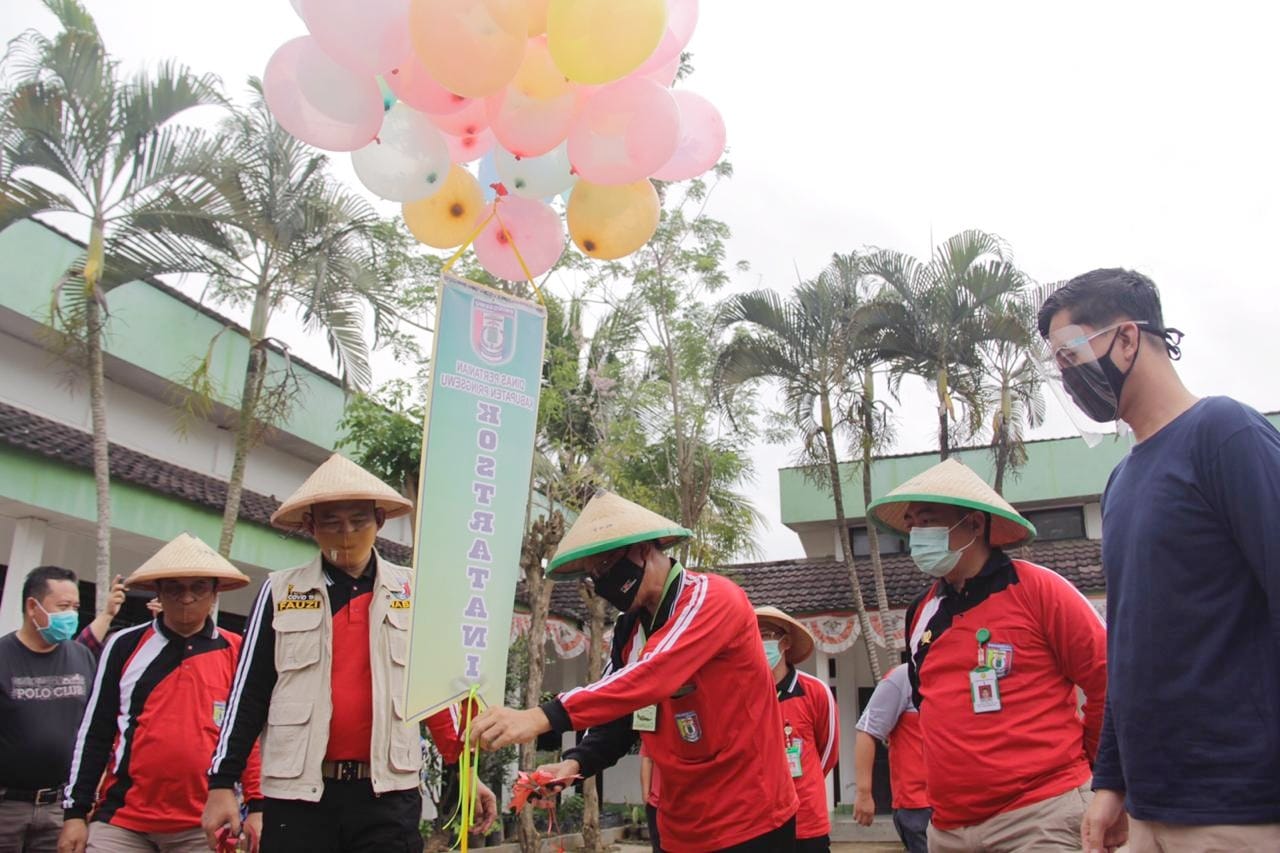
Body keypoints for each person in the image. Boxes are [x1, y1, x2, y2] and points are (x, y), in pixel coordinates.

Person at [1037, 269, 1280, 853]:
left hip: (1238, 806)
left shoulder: (1225, 433)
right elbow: (1127, 646)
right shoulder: (1120, 481)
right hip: (1149, 808)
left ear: (1126, 338)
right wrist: (1111, 782)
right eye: (1057, 365)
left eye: (1071, 353)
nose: (1067, 377)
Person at [467, 491, 799, 852]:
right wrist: (575, 763)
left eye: (607, 567)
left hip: (750, 818)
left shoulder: (713, 599)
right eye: (595, 576)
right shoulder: (630, 630)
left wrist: (541, 716)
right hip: (678, 822)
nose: (603, 583)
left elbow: (651, 676)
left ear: (642, 550)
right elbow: (621, 709)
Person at [203, 454, 496, 853]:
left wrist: (465, 770)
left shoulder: (414, 593)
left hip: (387, 794)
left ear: (380, 520)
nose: (346, 533)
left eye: (358, 520)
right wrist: (222, 782)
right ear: (310, 526)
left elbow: (435, 695)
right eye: (331, 521)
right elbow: (248, 695)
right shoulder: (279, 593)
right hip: (298, 796)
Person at [866, 458, 1108, 853]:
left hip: (1040, 817)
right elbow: (927, 703)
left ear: (974, 525)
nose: (916, 536)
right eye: (911, 525)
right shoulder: (921, 613)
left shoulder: (1038, 589)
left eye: (927, 521)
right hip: (946, 827)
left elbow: (1108, 681)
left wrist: (1098, 771)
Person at [59, 534, 263, 853]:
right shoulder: (123, 646)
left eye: (198, 587)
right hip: (123, 821)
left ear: (214, 592)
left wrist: (258, 805)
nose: (186, 598)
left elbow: (248, 738)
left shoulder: (236, 651)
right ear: (159, 592)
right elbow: (95, 732)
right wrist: (74, 813)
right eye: (174, 588)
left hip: (207, 823)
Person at [0, 567, 99, 853]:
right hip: (6, 807)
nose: (71, 615)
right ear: (33, 607)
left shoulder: (81, 656)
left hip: (60, 808)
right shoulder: (4, 656)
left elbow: (93, 728)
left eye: (76, 607)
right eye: (63, 607)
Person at [754, 606, 839, 853]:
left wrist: (801, 781)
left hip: (806, 819)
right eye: (754, 635)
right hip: (759, 821)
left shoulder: (815, 691)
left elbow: (828, 752)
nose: (760, 642)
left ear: (786, 642)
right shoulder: (744, 695)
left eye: (767, 634)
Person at [853, 659, 930, 853]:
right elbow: (867, 731)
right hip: (919, 808)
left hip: (964, 803)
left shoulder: (967, 674)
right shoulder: (904, 677)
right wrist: (863, 793)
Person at [638, 744, 660, 853]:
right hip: (658, 804)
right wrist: (646, 796)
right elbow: (647, 759)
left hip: (693, 804)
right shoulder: (654, 728)